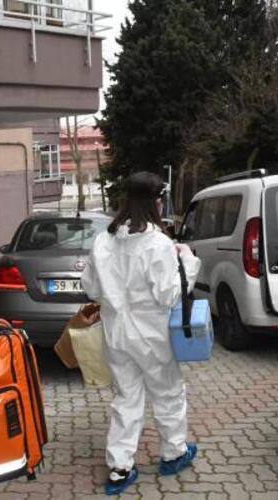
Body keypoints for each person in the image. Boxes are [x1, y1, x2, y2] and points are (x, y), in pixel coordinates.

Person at [81, 171, 201, 496]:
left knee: (126, 397)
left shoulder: (104, 240)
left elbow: (90, 288)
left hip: (116, 333)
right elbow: (169, 295)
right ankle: (173, 454)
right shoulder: (157, 243)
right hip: (152, 335)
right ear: (156, 202)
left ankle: (120, 468)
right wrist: (188, 262)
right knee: (168, 393)